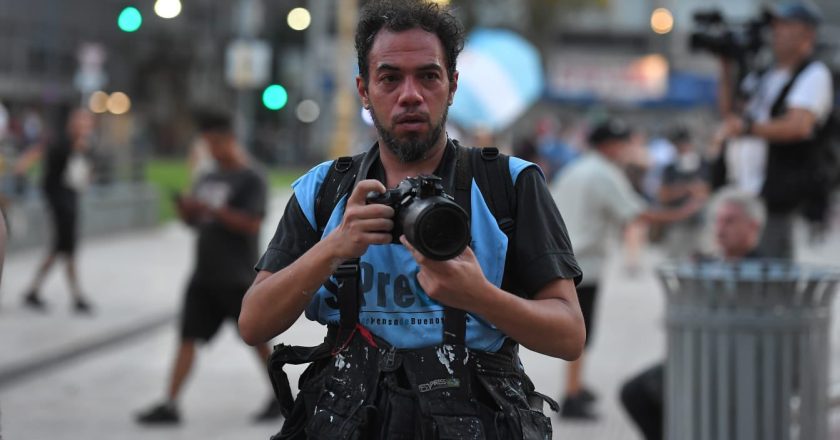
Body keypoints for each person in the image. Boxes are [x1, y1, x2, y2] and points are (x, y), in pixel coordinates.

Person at [238, 1, 585, 438]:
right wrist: (335, 246)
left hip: (476, 418)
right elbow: (253, 324)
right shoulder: (325, 189)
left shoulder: (509, 185)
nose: (410, 95)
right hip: (348, 417)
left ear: (452, 85)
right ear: (363, 91)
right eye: (389, 78)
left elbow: (569, 335)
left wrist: (480, 297)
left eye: (428, 75)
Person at [550, 117, 701, 420]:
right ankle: (571, 395)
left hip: (564, 257)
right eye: (621, 143)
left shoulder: (576, 168)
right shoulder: (604, 174)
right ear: (607, 146)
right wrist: (685, 211)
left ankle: (577, 385)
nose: (624, 149)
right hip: (585, 264)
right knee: (580, 334)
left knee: (577, 330)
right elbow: (638, 213)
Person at [135, 110, 280, 425]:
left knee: (256, 340)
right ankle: (170, 403)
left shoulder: (251, 177)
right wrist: (188, 211)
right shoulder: (208, 177)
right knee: (187, 337)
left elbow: (252, 222)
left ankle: (282, 397)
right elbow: (196, 222)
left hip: (237, 276)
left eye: (216, 143)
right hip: (204, 275)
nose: (212, 151)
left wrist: (212, 209)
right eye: (207, 145)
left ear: (230, 141)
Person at [619, 188, 766, 440]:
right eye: (717, 220)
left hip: (733, 369)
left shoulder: (765, 274)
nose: (720, 228)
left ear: (753, 227)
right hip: (698, 360)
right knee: (634, 393)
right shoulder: (707, 263)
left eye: (730, 221)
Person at [714, 1, 833, 259]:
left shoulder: (813, 73)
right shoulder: (763, 75)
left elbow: (797, 126)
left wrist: (748, 128)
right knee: (747, 282)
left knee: (777, 281)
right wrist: (726, 65)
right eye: (775, 25)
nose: (776, 32)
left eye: (786, 25)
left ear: (807, 34)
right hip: (749, 197)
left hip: (784, 203)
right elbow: (731, 116)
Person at [15, 106, 95, 313]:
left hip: (71, 201)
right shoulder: (60, 143)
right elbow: (36, 154)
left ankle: (37, 290)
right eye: (81, 121)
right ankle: (75, 296)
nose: (84, 126)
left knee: (63, 249)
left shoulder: (85, 148)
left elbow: (84, 177)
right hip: (59, 202)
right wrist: (23, 168)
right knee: (65, 248)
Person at [658, 125, 711, 260]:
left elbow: (707, 190)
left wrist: (697, 193)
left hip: (700, 222)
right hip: (677, 221)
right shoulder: (670, 168)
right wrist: (685, 189)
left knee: (701, 258)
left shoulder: (703, 164)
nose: (682, 147)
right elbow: (663, 196)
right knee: (675, 260)